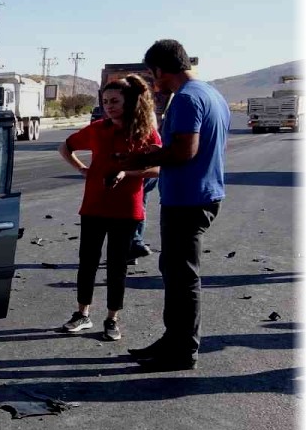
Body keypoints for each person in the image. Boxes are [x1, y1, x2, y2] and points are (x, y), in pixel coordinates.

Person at [118, 39, 228, 371]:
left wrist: (144, 155)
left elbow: (184, 151)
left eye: (153, 75)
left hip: (187, 200)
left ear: (160, 69)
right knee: (176, 273)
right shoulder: (212, 94)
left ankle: (182, 351)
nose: (153, 82)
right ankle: (172, 339)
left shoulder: (186, 99)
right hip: (200, 195)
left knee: (182, 279)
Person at [57, 75, 162, 341]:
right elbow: (65, 147)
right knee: (87, 262)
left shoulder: (145, 131)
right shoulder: (97, 129)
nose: (109, 106)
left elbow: (157, 168)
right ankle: (82, 314)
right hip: (93, 206)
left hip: (126, 209)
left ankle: (112, 318)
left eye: (114, 101)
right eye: (105, 101)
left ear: (129, 102)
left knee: (117, 267)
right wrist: (82, 169)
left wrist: (128, 173)